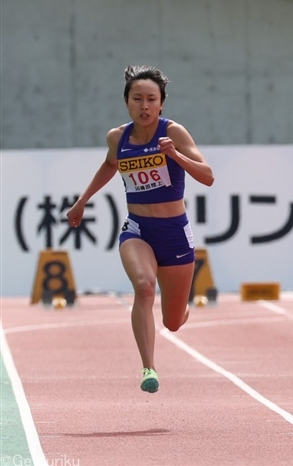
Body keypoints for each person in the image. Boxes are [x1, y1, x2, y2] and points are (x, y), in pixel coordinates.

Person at [66, 65, 214, 394]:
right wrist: (82, 202)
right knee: (145, 287)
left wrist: (175, 156)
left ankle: (180, 308)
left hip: (175, 232)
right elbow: (109, 165)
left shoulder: (174, 133)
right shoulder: (117, 138)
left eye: (151, 99)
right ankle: (149, 366)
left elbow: (208, 176)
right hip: (138, 229)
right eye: (137, 99)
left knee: (172, 322)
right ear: (127, 102)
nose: (144, 106)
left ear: (161, 104)